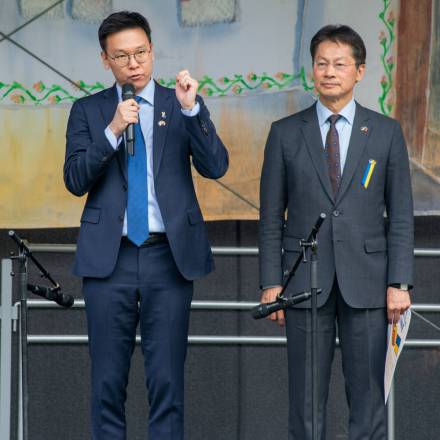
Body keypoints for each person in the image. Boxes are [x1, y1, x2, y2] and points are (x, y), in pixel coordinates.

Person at [64, 11, 228, 440]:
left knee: (167, 382)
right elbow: (75, 180)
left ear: (153, 51)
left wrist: (193, 110)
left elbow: (216, 166)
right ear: (105, 59)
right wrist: (113, 130)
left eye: (140, 52)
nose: (133, 63)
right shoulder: (88, 110)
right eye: (121, 56)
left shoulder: (180, 104)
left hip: (168, 257)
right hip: (110, 259)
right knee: (106, 383)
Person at [259, 24, 413, 440]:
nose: (329, 72)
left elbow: (401, 215)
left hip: (369, 284)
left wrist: (399, 282)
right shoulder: (285, 133)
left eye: (340, 64)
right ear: (312, 69)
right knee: (306, 403)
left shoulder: (385, 132)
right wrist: (272, 283)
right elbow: (270, 217)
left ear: (359, 71)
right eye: (322, 63)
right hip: (304, 283)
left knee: (368, 400)